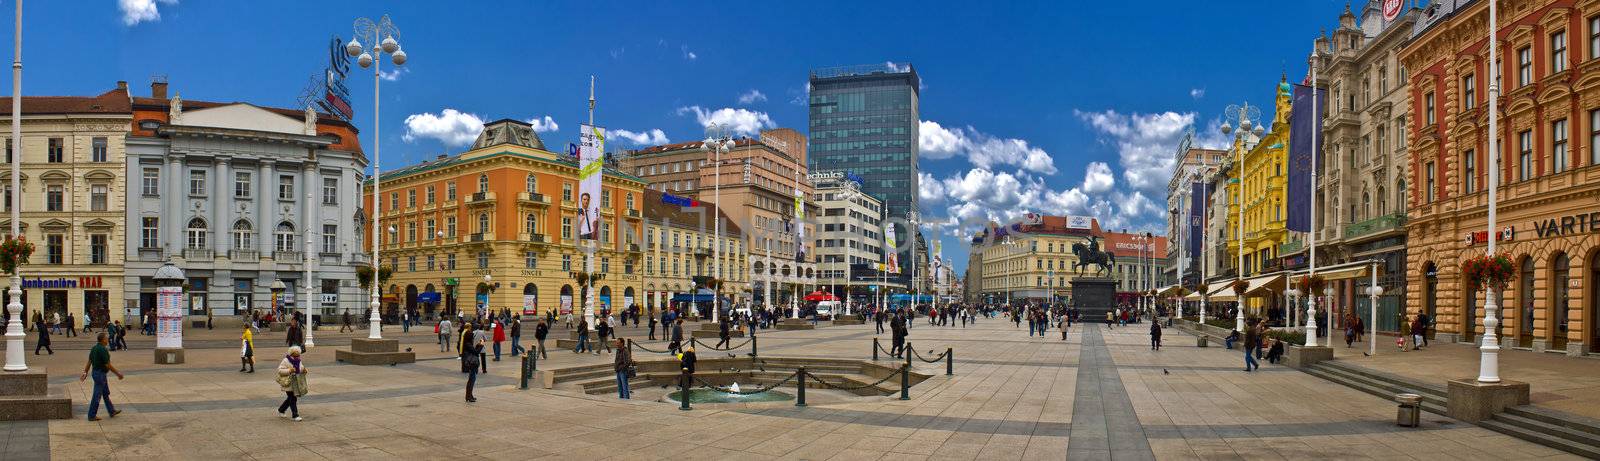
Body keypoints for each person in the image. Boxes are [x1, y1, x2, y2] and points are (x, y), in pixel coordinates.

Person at [80, 333, 123, 421]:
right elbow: (108, 365)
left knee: (105, 393)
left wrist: (85, 372)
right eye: (106, 338)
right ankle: (91, 415)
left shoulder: (94, 348)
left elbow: (89, 361)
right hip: (100, 374)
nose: (108, 339)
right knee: (97, 395)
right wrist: (118, 374)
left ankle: (111, 411)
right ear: (103, 340)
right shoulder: (102, 349)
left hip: (97, 373)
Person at [276, 346, 308, 421]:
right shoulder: (286, 360)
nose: (297, 356)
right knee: (293, 398)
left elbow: (301, 367)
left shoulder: (298, 360)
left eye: (298, 355)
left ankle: (281, 409)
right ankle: (295, 415)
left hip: (296, 382)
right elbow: (280, 370)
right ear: (291, 354)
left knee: (290, 398)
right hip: (289, 382)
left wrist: (304, 370)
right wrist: (289, 370)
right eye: (296, 355)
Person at [462, 326, 483, 402]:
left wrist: (478, 345)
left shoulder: (467, 343)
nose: (473, 338)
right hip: (471, 364)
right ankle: (468, 396)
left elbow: (474, 350)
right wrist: (481, 345)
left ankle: (469, 395)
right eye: (472, 337)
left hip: (471, 363)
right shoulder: (468, 344)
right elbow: (476, 352)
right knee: (471, 380)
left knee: (471, 380)